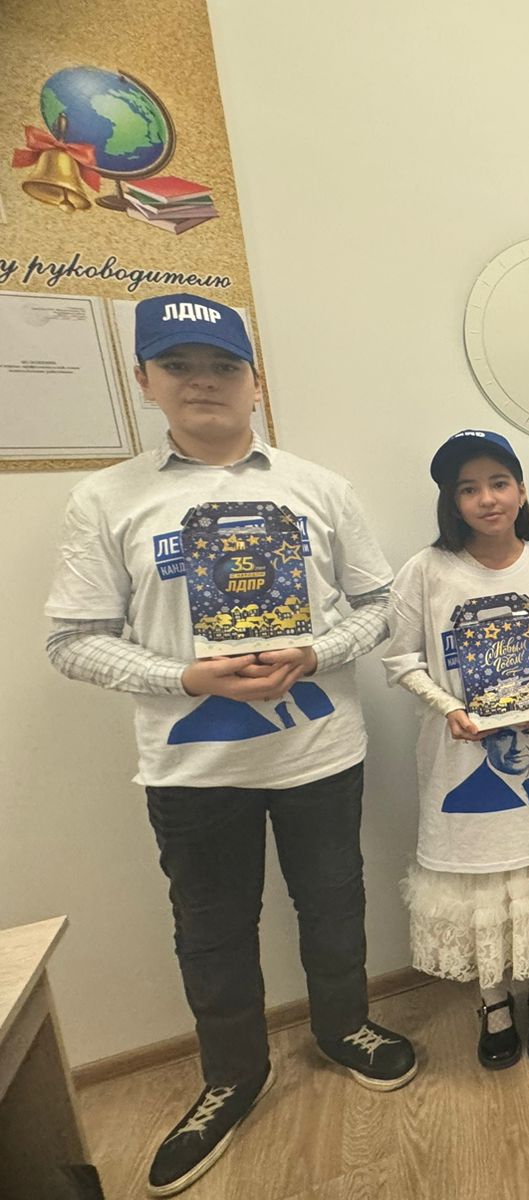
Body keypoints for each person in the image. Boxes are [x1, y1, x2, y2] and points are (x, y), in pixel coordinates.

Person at [43, 293, 416, 1198]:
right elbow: (72, 640)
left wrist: (315, 653)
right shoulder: (107, 498)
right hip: (192, 766)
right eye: (179, 366)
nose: (202, 382)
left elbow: (379, 606)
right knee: (211, 928)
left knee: (334, 902)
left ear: (256, 382)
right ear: (145, 380)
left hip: (319, 751)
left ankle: (343, 1027)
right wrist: (186, 677)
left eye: (222, 366)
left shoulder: (319, 488)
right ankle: (233, 1075)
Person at [383, 429, 529, 1070]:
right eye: (468, 489)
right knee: (480, 881)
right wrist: (450, 708)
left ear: (521, 490)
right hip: (461, 759)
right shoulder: (426, 572)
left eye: (499, 483)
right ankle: (494, 1002)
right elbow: (400, 659)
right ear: (452, 501)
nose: (487, 499)